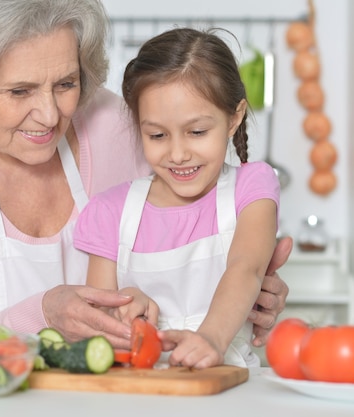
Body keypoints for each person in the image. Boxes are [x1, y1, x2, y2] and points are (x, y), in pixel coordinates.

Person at [0, 0, 291, 351]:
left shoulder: (111, 122)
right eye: (20, 91)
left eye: (66, 84)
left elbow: (197, 238)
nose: (51, 115)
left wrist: (244, 293)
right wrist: (43, 315)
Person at [74, 27, 280, 368]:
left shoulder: (252, 188)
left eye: (197, 132)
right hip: (138, 391)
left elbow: (247, 267)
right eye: (157, 135)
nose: (178, 153)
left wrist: (211, 338)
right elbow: (99, 321)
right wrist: (124, 308)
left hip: (229, 387)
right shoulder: (111, 211)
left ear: (234, 118)